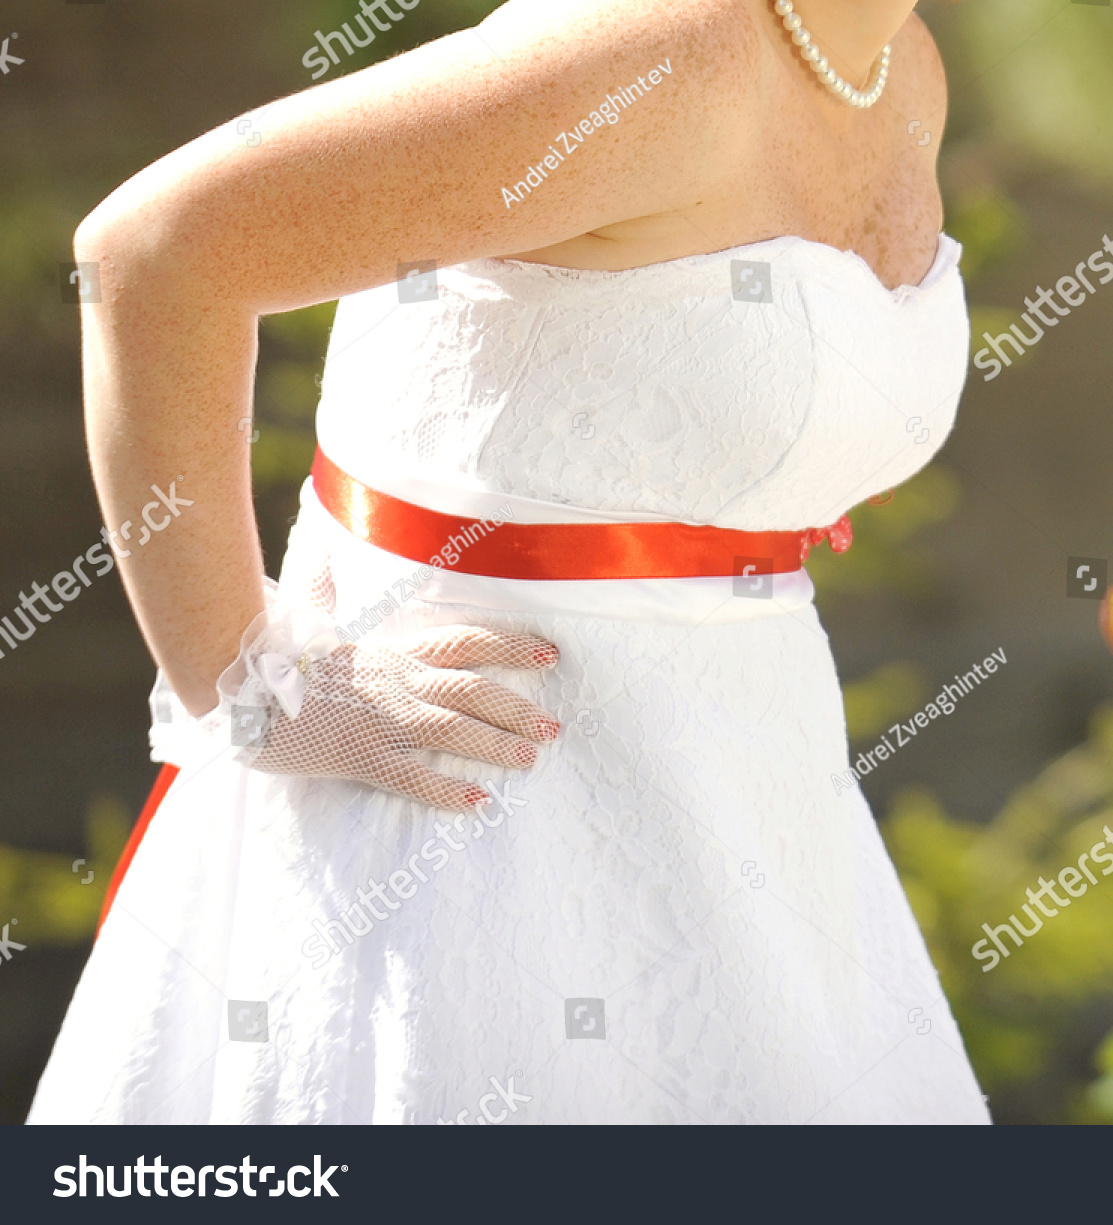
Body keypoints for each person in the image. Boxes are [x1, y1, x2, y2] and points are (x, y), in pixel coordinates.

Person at [29, 0, 987, 1124]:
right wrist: (251, 688)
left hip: (761, 825)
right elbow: (154, 253)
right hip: (469, 827)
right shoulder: (654, 53)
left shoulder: (897, 69)